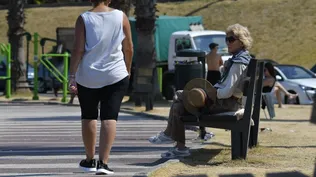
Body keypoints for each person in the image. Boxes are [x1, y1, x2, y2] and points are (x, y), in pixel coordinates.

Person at [148, 24, 253, 158]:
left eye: (231, 39)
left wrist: (210, 93)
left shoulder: (238, 62)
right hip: (228, 102)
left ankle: (173, 138)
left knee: (180, 96)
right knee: (179, 105)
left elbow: (227, 92)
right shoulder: (241, 58)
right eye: (226, 39)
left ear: (241, 40)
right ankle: (178, 145)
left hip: (227, 104)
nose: (228, 42)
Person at [68, 0, 133, 175]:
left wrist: (72, 75)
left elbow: (78, 49)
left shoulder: (84, 18)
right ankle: (104, 163)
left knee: (89, 116)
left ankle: (89, 160)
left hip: (88, 75)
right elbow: (129, 48)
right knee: (110, 116)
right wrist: (127, 70)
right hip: (116, 73)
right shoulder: (121, 16)